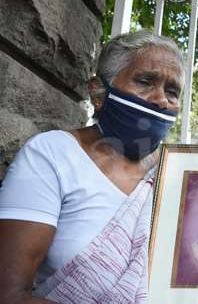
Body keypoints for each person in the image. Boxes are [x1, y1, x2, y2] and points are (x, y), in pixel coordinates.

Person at [0, 30, 184, 303]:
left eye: (172, 92)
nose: (160, 100)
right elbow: (9, 294)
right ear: (99, 93)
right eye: (145, 82)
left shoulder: (178, 176)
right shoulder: (52, 155)